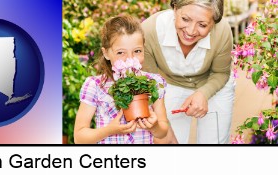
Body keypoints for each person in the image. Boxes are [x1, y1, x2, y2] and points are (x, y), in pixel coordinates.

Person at [142, 0, 235, 144]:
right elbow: (150, 81)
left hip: (214, 83)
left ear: (213, 23)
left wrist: (203, 93)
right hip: (167, 85)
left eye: (202, 25)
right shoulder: (149, 31)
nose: (191, 31)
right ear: (175, 9)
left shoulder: (222, 31)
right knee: (170, 140)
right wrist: (162, 122)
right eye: (185, 19)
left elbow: (220, 73)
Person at [74, 15, 176, 144]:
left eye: (137, 51)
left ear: (144, 49)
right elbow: (79, 138)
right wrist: (110, 130)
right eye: (121, 52)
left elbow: (163, 131)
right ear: (106, 53)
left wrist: (154, 126)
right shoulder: (95, 85)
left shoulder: (154, 82)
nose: (130, 59)